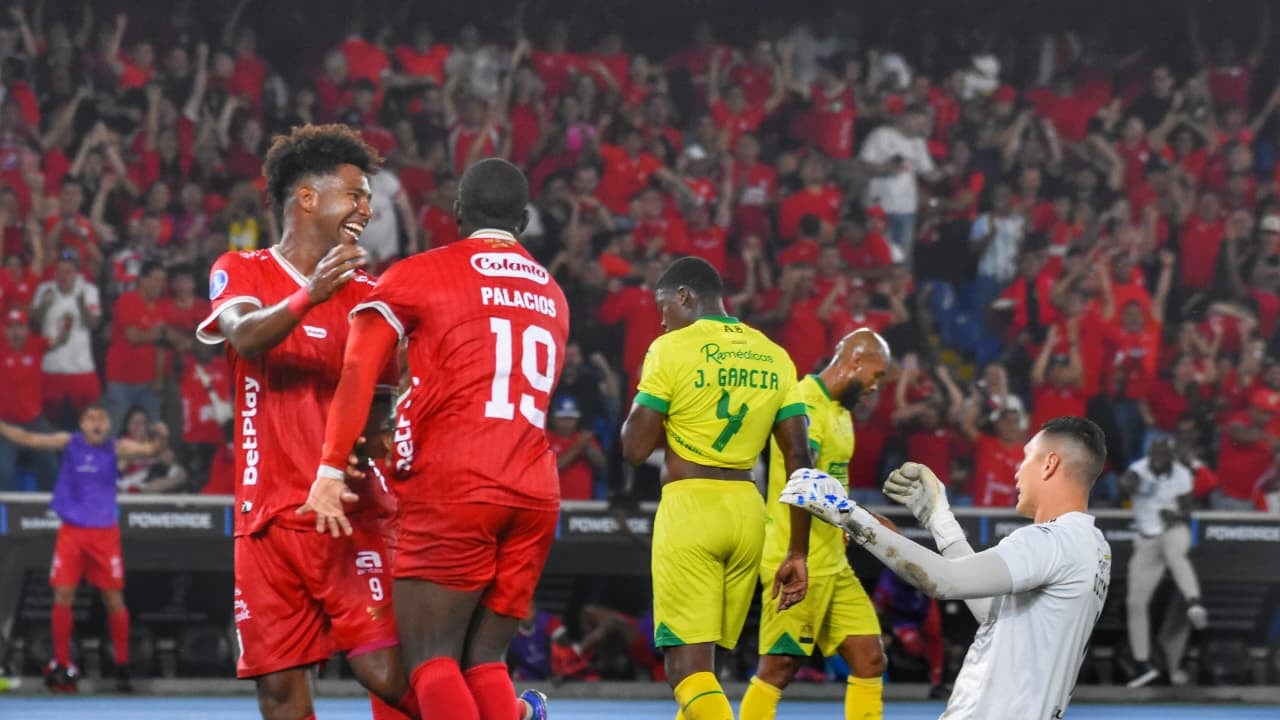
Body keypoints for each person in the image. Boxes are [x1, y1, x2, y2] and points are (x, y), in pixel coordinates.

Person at [304, 157, 566, 720]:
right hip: (536, 488)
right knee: (486, 660)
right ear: (522, 219)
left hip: (457, 483)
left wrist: (329, 470)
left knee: (430, 660)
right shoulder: (551, 292)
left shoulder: (421, 273)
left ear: (456, 213)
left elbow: (358, 372)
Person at [195, 123, 417, 720]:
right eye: (356, 195)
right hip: (264, 519)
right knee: (278, 691)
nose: (368, 210)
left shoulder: (371, 296)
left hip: (347, 514)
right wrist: (309, 296)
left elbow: (386, 404)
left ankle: (507, 714)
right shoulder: (242, 269)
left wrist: (373, 441)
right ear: (308, 197)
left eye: (369, 199)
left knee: (384, 672)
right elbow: (244, 335)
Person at [782, 416, 1112, 720]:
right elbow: (993, 614)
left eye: (1027, 456)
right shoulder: (1091, 546)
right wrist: (941, 521)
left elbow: (944, 581)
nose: (1017, 469)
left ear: (1050, 464)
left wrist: (847, 515)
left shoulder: (1050, 541)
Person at [619, 256, 816, 720]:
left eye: (663, 306)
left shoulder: (670, 349)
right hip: (748, 514)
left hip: (692, 507)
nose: (661, 319)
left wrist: (655, 393)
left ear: (684, 297)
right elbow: (800, 460)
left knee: (686, 672)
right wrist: (798, 551)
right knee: (709, 668)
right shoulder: (774, 353)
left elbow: (634, 447)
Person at [741, 329, 892, 720]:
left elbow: (832, 485)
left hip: (833, 561)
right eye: (875, 376)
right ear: (855, 362)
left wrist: (860, 516)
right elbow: (804, 485)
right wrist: (862, 521)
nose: (875, 388)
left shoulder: (841, 412)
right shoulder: (804, 404)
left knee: (870, 658)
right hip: (795, 556)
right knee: (778, 669)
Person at [0, 404, 169, 693]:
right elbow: (29, 439)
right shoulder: (69, 442)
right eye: (91, 418)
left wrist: (162, 438)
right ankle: (62, 663)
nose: (97, 423)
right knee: (63, 594)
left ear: (109, 425)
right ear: (81, 424)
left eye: (102, 418)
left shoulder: (117, 447)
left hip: (105, 534)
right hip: (72, 532)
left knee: (113, 599)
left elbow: (151, 450)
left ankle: (122, 666)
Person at [1119, 437, 1207, 688]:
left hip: (1173, 530)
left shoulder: (1180, 474)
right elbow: (1126, 484)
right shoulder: (1140, 468)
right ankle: (1142, 663)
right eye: (1154, 454)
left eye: (1162, 455)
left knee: (1174, 553)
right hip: (1147, 538)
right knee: (1135, 602)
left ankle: (1194, 603)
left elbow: (1188, 508)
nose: (1157, 459)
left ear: (1171, 456)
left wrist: (1176, 513)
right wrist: (1129, 484)